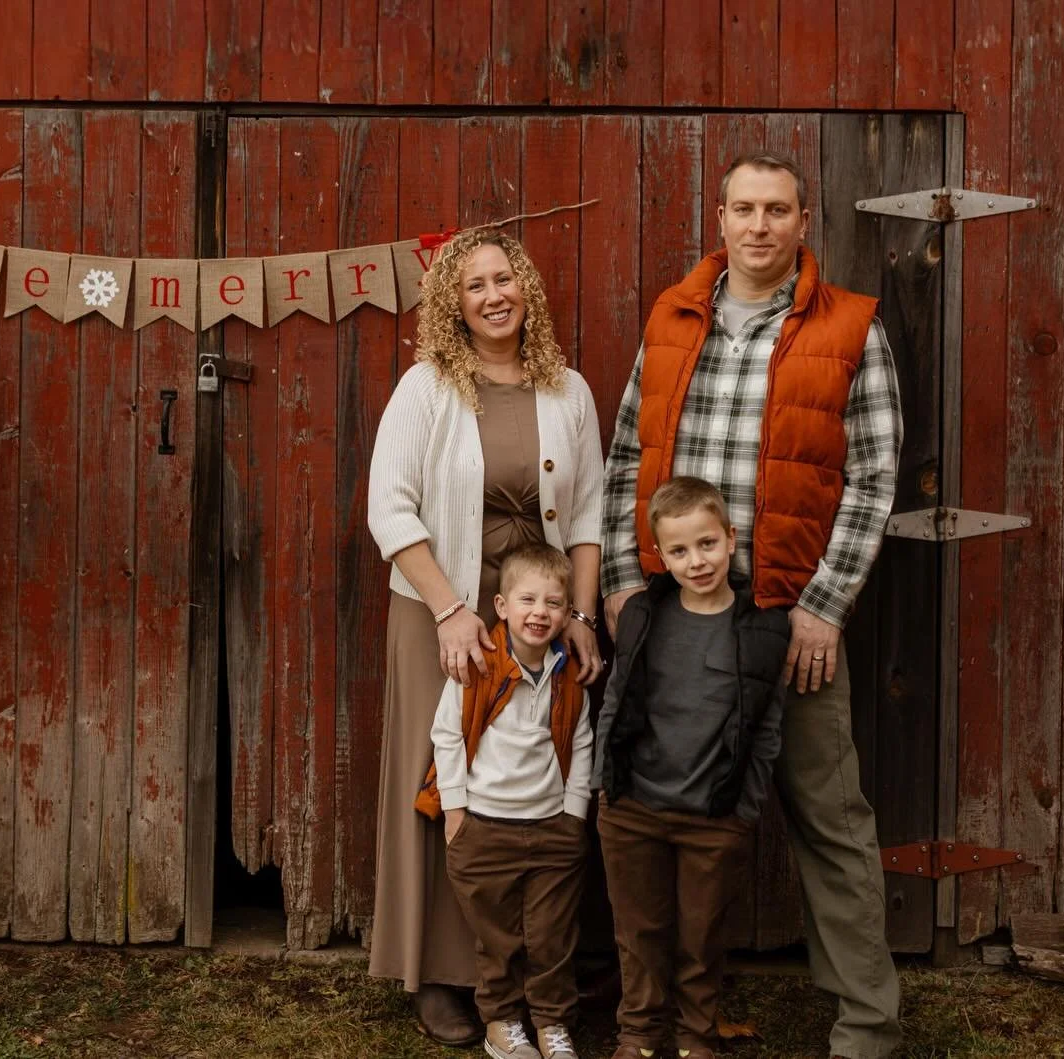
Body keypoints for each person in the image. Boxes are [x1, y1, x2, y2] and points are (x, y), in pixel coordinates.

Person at [600, 151, 904, 1059]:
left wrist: (825, 605)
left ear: (804, 222)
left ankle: (867, 1022)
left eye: (777, 210)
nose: (759, 225)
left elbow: (874, 477)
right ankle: (656, 1020)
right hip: (674, 618)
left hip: (787, 613)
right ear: (720, 219)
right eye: (744, 208)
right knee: (657, 807)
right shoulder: (672, 317)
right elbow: (627, 460)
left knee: (828, 813)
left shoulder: (851, 328)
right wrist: (623, 579)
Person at [367, 229, 604, 1046]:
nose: (494, 294)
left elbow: (588, 518)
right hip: (442, 612)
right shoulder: (427, 388)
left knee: (535, 767)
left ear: (526, 289)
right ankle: (439, 972)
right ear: (452, 304)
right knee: (444, 776)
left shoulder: (568, 390)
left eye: (506, 278)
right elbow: (389, 508)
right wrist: (448, 608)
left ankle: (530, 976)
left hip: (537, 622)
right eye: (474, 285)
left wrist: (579, 612)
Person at [594, 476, 788, 1059]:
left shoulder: (761, 627)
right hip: (634, 809)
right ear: (660, 555)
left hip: (713, 816)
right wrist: (607, 789)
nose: (696, 561)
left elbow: (768, 728)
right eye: (678, 550)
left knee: (701, 938)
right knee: (639, 935)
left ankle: (695, 1037)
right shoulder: (641, 617)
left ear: (731, 539)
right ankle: (640, 1035)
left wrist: (742, 810)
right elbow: (614, 701)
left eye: (706, 544)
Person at [421, 543, 593, 1059]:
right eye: (527, 600)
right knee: (498, 939)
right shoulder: (479, 666)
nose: (539, 612)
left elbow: (581, 741)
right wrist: (455, 810)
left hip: (552, 828)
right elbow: (447, 735)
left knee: (551, 938)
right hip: (484, 827)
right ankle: (501, 1021)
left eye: (553, 603)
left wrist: (575, 813)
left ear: (567, 613)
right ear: (501, 607)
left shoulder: (568, 675)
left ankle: (553, 1024)